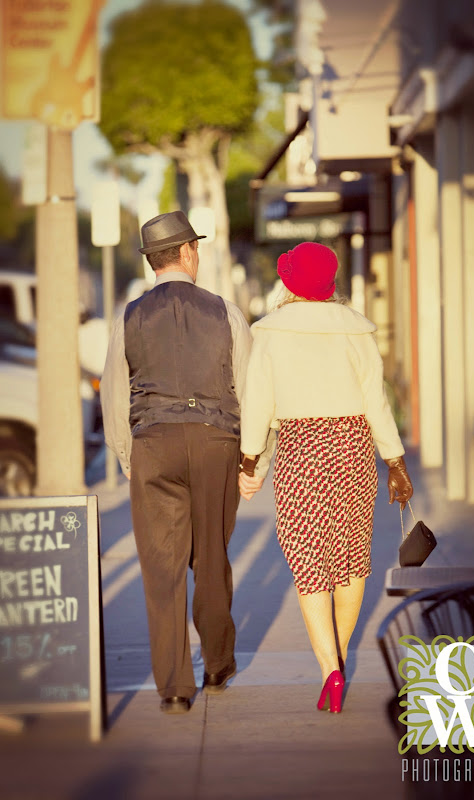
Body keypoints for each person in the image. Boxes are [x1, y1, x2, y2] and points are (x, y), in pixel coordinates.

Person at [101, 210, 269, 714]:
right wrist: (253, 463)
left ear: (153, 261)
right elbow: (252, 390)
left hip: (154, 441)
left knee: (162, 568)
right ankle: (217, 664)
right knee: (211, 559)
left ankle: (175, 688)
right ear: (189, 253)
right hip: (216, 441)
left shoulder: (128, 317)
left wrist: (130, 456)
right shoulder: (226, 312)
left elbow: (114, 395)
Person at [238, 241, 413, 714]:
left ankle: (331, 670)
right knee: (352, 561)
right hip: (353, 447)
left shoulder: (271, 333)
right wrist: (394, 462)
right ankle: (338, 652)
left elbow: (259, 403)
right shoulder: (355, 331)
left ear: (290, 282)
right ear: (331, 283)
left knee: (309, 565)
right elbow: (377, 402)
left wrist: (250, 460)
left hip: (301, 451)